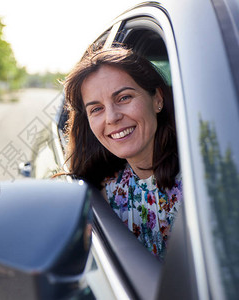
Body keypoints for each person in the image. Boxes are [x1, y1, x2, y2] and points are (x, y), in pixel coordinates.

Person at [63, 46, 182, 260]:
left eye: (124, 98)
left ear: (157, 99)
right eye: (96, 109)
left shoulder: (201, 183)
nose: (111, 117)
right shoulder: (105, 191)